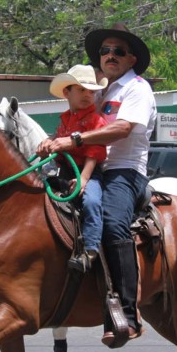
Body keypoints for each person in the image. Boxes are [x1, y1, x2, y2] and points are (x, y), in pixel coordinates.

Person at [38, 23, 156, 347]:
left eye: (118, 51)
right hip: (91, 168)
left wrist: (73, 139)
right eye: (105, 51)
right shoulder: (98, 90)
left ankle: (128, 315)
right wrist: (51, 141)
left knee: (113, 223)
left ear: (131, 59)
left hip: (124, 171)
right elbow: (74, 120)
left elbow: (121, 129)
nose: (110, 55)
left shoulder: (138, 89)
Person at [38, 64, 108, 272]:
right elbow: (59, 143)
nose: (88, 95)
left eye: (92, 91)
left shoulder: (96, 120)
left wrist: (84, 179)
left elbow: (94, 154)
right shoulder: (65, 119)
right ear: (67, 92)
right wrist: (47, 144)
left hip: (87, 171)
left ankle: (91, 249)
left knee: (92, 201)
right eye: (82, 90)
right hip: (65, 171)